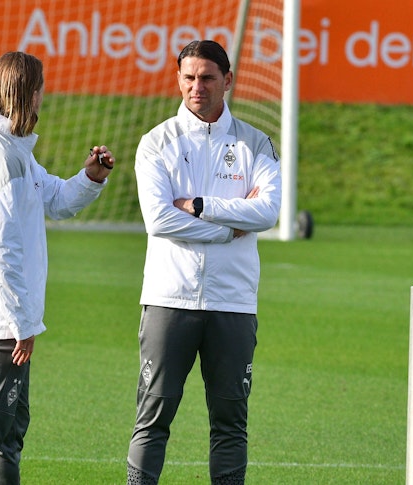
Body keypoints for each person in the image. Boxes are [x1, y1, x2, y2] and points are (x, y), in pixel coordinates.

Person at [0, 51, 115, 485]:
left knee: (9, 432)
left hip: (9, 321)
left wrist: (90, 177)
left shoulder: (13, 150)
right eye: (40, 88)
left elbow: (57, 201)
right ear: (26, 93)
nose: (44, 97)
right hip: (1, 322)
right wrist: (22, 322)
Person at [126, 40, 281, 485]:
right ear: (179, 80)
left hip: (233, 301)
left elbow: (267, 212)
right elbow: (158, 219)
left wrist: (197, 205)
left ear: (227, 81)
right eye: (189, 77)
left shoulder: (256, 142)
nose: (197, 87)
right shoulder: (156, 142)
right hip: (168, 299)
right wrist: (227, 226)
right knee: (152, 417)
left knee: (231, 423)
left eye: (208, 77)